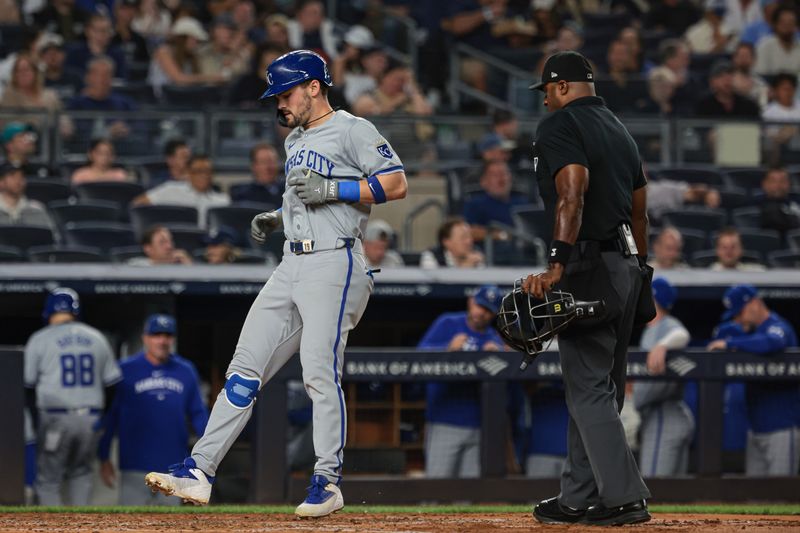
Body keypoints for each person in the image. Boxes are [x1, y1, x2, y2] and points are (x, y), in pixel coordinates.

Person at [143, 50, 408, 518]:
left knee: (318, 374)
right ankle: (200, 470)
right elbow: (299, 200)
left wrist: (336, 190)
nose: (278, 104)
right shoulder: (294, 141)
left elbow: (396, 182)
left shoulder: (352, 128)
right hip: (292, 263)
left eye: (284, 94)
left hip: (336, 260)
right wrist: (280, 216)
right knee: (243, 369)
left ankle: (327, 480)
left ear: (313, 87)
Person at [525, 51, 651, 526]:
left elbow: (571, 194)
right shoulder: (619, 129)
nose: (546, 103)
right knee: (600, 388)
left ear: (560, 87)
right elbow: (641, 209)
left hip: (588, 263)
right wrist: (640, 267)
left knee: (587, 390)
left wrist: (557, 263)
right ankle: (577, 497)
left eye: (547, 93)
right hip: (626, 264)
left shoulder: (559, 126)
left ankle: (624, 497)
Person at [23, 288, 122, 505]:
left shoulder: (40, 339)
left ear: (49, 311)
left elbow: (28, 387)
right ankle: (79, 525)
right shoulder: (97, 337)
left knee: (48, 479)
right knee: (81, 474)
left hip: (55, 419)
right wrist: (102, 417)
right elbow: (113, 385)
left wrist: (37, 422)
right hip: (91, 419)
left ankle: (54, 529)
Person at [97, 314, 208, 505]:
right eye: (156, 335)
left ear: (173, 339)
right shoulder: (125, 369)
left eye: (167, 335)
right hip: (135, 464)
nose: (162, 340)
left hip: (173, 467)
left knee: (171, 525)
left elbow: (198, 414)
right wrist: (103, 455)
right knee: (131, 524)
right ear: (145, 338)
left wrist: (208, 455)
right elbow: (112, 415)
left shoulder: (185, 370)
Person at [707, 284, 799, 476]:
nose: (738, 319)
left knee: (781, 497)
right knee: (755, 498)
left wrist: (729, 344)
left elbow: (774, 342)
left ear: (755, 303)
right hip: (755, 430)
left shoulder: (777, 326)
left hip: (781, 430)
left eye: (740, 312)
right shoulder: (751, 334)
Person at [418, 285, 505, 478]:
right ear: (471, 302)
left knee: (468, 494)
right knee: (436, 487)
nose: (482, 313)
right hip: (444, 420)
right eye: (480, 306)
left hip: (479, 423)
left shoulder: (493, 338)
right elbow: (418, 357)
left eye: (488, 310)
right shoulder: (448, 322)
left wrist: (500, 356)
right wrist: (447, 348)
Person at [633, 278, 695, 477]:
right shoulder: (651, 329)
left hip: (664, 415)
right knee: (673, 495)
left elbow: (681, 334)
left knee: (655, 489)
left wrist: (662, 345)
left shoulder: (666, 324)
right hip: (662, 415)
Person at [133, 155, 230, 227]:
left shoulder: (223, 201)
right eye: (198, 171)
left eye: (208, 171)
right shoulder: (170, 189)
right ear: (188, 173)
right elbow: (138, 203)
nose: (204, 175)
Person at [147, 17, 226, 99]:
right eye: (194, 40)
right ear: (183, 38)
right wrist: (211, 78)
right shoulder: (163, 52)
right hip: (162, 100)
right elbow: (179, 79)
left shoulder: (191, 56)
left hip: (184, 98)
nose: (196, 44)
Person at [464, 160, 527, 242]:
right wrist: (500, 235)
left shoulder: (522, 203)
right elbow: (468, 231)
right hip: (493, 250)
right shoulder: (475, 204)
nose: (501, 178)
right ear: (484, 182)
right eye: (495, 175)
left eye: (504, 173)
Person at [65, 13, 127, 79]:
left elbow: (121, 80)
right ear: (87, 31)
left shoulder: (117, 54)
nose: (102, 34)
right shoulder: (74, 53)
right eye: (97, 30)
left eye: (107, 30)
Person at [694, 60, 761, 118]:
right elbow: (699, 130)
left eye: (730, 75)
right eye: (721, 76)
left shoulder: (749, 106)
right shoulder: (704, 106)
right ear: (712, 82)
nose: (727, 79)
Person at [197, 14, 251, 82]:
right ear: (213, 32)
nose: (228, 33)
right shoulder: (203, 52)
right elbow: (214, 81)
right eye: (222, 29)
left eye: (231, 30)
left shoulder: (241, 54)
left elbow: (242, 81)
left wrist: (233, 53)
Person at [420, 217, 486, 269]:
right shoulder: (431, 256)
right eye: (463, 238)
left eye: (469, 236)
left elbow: (484, 283)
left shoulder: (476, 254)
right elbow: (434, 284)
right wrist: (464, 269)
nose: (469, 241)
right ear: (447, 242)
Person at [754, 6, 800, 76]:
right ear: (775, 25)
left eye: (791, 22)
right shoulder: (764, 46)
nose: (787, 26)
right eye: (783, 22)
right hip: (769, 86)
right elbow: (759, 76)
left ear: (796, 27)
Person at [758, 166, 800, 237]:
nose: (778, 185)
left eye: (783, 181)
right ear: (764, 184)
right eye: (773, 181)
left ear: (789, 184)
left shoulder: (797, 201)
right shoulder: (759, 205)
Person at [128, 225, 193, 265]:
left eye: (170, 241)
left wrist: (188, 266)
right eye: (162, 242)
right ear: (148, 248)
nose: (169, 246)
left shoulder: (180, 265)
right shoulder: (136, 266)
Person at [112, 0, 151, 66]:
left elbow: (145, 63)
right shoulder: (108, 36)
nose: (128, 13)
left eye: (132, 9)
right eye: (124, 9)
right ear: (116, 11)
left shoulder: (139, 39)